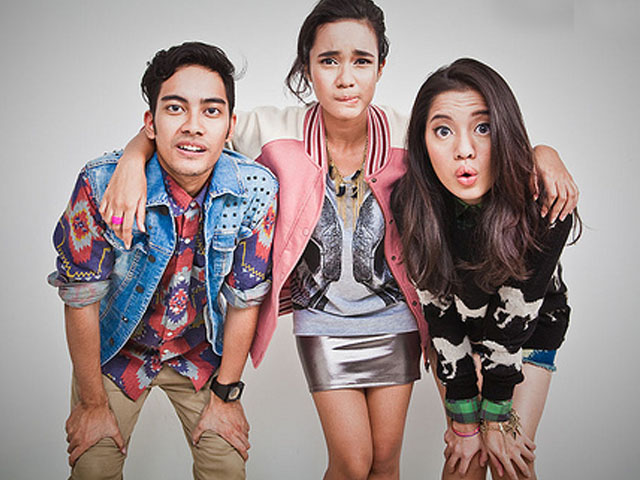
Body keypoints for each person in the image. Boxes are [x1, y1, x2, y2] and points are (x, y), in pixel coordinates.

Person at [99, 2, 578, 478]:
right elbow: (192, 130)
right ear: (306, 67)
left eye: (361, 61)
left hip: (396, 318)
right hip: (323, 320)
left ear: (380, 67)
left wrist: (545, 152)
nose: (346, 78)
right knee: (351, 462)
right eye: (329, 60)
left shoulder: (408, 132)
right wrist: (133, 158)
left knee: (386, 463)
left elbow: (483, 145)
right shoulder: (271, 129)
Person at [48, 42, 278, 479]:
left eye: (211, 111)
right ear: (150, 123)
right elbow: (80, 298)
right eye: (175, 108)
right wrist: (92, 405)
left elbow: (245, 300)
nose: (193, 125)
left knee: (227, 466)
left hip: (199, 353)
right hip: (117, 351)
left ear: (230, 125)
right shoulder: (100, 183)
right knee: (93, 468)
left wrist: (226, 397)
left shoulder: (256, 189)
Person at [392, 58, 582, 480]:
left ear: (506, 130)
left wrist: (495, 417)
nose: (464, 149)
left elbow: (516, 316)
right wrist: (464, 419)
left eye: (483, 127)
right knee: (465, 460)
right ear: (422, 142)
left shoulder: (545, 201)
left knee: (508, 459)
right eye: (443, 131)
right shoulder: (412, 203)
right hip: (457, 333)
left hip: (528, 334)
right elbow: (438, 312)